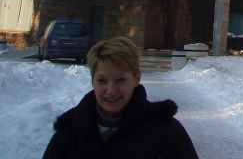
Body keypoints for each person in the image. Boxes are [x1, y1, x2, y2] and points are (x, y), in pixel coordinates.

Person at [43, 36, 198, 158]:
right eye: (102, 80)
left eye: (120, 80)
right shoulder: (69, 134)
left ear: (136, 79)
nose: (111, 90)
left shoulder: (166, 132)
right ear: (92, 81)